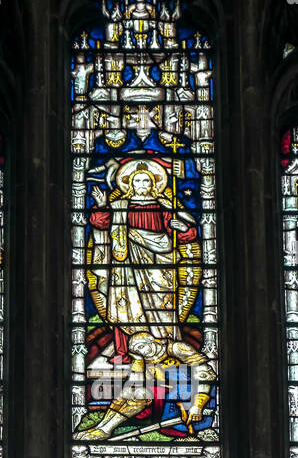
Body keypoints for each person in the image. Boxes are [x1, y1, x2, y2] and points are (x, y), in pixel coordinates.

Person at [80, 158, 214, 439]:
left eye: (147, 181)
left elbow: (189, 234)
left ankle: (178, 416)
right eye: (137, 181)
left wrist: (180, 226)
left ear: (154, 184)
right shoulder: (120, 207)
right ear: (128, 184)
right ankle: (125, 372)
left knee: (162, 315)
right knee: (128, 313)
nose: (142, 185)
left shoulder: (165, 207)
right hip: (126, 272)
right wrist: (103, 205)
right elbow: (99, 223)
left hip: (160, 274)